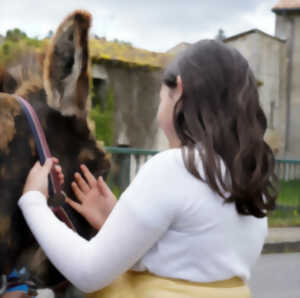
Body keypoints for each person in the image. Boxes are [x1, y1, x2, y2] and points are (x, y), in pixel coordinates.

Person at [18, 40, 278, 298]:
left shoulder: (176, 167)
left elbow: (87, 272)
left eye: (162, 95)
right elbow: (188, 262)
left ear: (178, 90)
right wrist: (116, 222)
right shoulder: (249, 179)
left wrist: (34, 201)